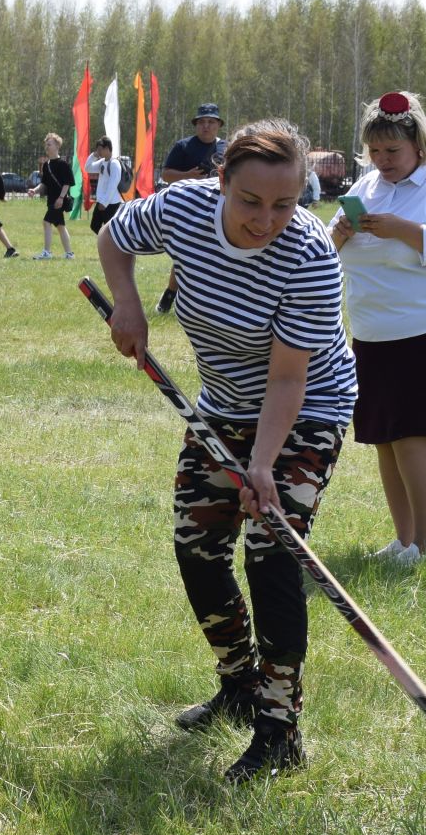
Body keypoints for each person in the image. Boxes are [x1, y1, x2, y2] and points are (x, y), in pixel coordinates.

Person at [96, 117, 358, 785]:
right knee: (197, 543)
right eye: (250, 201)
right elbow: (112, 236)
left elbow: (289, 378)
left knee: (273, 547)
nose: (267, 220)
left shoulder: (308, 255)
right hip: (222, 406)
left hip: (306, 409)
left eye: (285, 203)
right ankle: (237, 683)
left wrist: (263, 466)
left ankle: (279, 727)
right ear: (221, 184)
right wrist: (127, 303)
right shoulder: (182, 209)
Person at [330, 91, 426, 571]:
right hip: (374, 330)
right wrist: (341, 234)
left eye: (392, 151)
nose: (382, 160)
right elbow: (328, 248)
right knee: (384, 439)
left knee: (412, 436)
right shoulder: (365, 188)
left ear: (419, 144)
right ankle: (404, 543)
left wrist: (402, 230)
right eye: (374, 151)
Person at [156, 103, 225, 312]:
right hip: (189, 207)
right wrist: (188, 175)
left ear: (218, 125)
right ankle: (171, 293)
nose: (206, 126)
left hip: (220, 207)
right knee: (184, 252)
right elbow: (166, 174)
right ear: (196, 125)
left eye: (211, 122)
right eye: (202, 122)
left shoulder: (226, 148)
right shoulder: (183, 146)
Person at [30, 132, 76, 259]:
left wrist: (61, 198)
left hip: (58, 202)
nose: (47, 146)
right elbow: (44, 184)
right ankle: (69, 254)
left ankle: (47, 252)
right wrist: (35, 190)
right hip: (52, 201)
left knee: (46, 222)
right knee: (61, 226)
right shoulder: (46, 165)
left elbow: (67, 183)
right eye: (46, 144)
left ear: (57, 146)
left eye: (49, 144)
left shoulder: (63, 164)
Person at [86, 137, 123, 234]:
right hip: (101, 201)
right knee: (94, 226)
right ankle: (106, 243)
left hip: (111, 203)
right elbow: (88, 168)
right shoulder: (102, 162)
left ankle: (110, 245)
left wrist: (105, 202)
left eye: (100, 150)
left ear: (107, 148)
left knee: (110, 230)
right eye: (97, 150)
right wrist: (93, 155)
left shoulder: (114, 163)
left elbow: (113, 185)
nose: (98, 152)